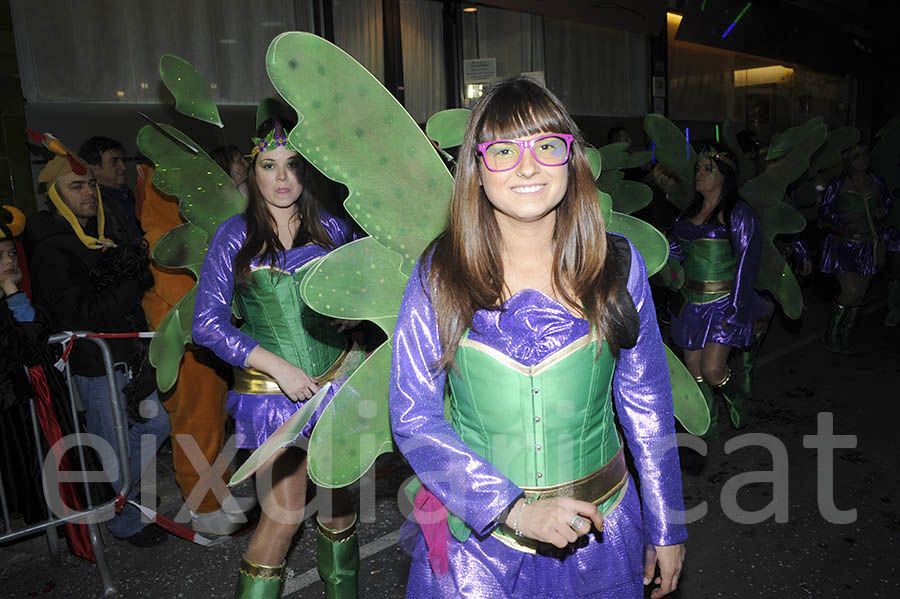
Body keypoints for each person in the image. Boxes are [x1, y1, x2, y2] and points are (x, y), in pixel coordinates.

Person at [390, 77, 686, 599]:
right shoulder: (440, 274)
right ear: (477, 171)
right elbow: (414, 414)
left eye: (547, 146)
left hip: (601, 535)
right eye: (503, 151)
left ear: (570, 161)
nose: (527, 167)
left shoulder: (616, 266)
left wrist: (666, 523)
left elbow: (648, 402)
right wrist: (513, 509)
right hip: (476, 550)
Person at [192, 119, 360, 598]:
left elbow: (359, 293)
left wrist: (352, 318)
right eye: (270, 166)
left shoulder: (332, 227)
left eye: (292, 166)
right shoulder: (233, 236)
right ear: (252, 171)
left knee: (339, 509)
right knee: (284, 516)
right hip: (272, 399)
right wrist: (277, 366)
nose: (282, 178)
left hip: (336, 387)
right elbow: (207, 325)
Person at [24, 141, 171, 547]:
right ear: (56, 195)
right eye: (76, 186)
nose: (88, 192)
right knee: (114, 446)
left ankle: (116, 498)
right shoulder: (54, 247)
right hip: (93, 365)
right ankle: (124, 520)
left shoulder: (100, 237)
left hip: (125, 361)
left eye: (90, 183)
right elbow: (81, 315)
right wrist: (128, 282)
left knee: (155, 425)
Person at [140, 165, 256, 535]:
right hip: (185, 337)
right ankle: (203, 507)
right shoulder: (168, 236)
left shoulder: (196, 230)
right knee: (196, 421)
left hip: (204, 336)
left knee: (213, 418)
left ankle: (216, 492)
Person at [666, 147, 764, 436]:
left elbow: (747, 264)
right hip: (689, 303)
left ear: (724, 176)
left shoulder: (739, 213)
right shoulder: (688, 213)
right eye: (698, 167)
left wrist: (736, 310)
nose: (700, 173)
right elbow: (673, 253)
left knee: (712, 370)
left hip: (723, 303)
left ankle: (734, 397)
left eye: (708, 168)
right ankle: (709, 423)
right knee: (694, 371)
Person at [818, 144, 893, 350]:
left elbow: (887, 203)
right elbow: (824, 210)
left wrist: (881, 211)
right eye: (856, 156)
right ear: (848, 161)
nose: (862, 159)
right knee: (850, 291)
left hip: (869, 245)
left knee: (860, 293)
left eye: (865, 154)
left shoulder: (877, 182)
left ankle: (844, 336)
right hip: (843, 245)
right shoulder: (838, 184)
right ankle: (832, 335)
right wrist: (841, 219)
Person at [80, 136, 141, 238]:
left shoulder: (131, 195)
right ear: (94, 168)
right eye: (114, 161)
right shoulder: (92, 204)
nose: (123, 167)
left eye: (122, 160)